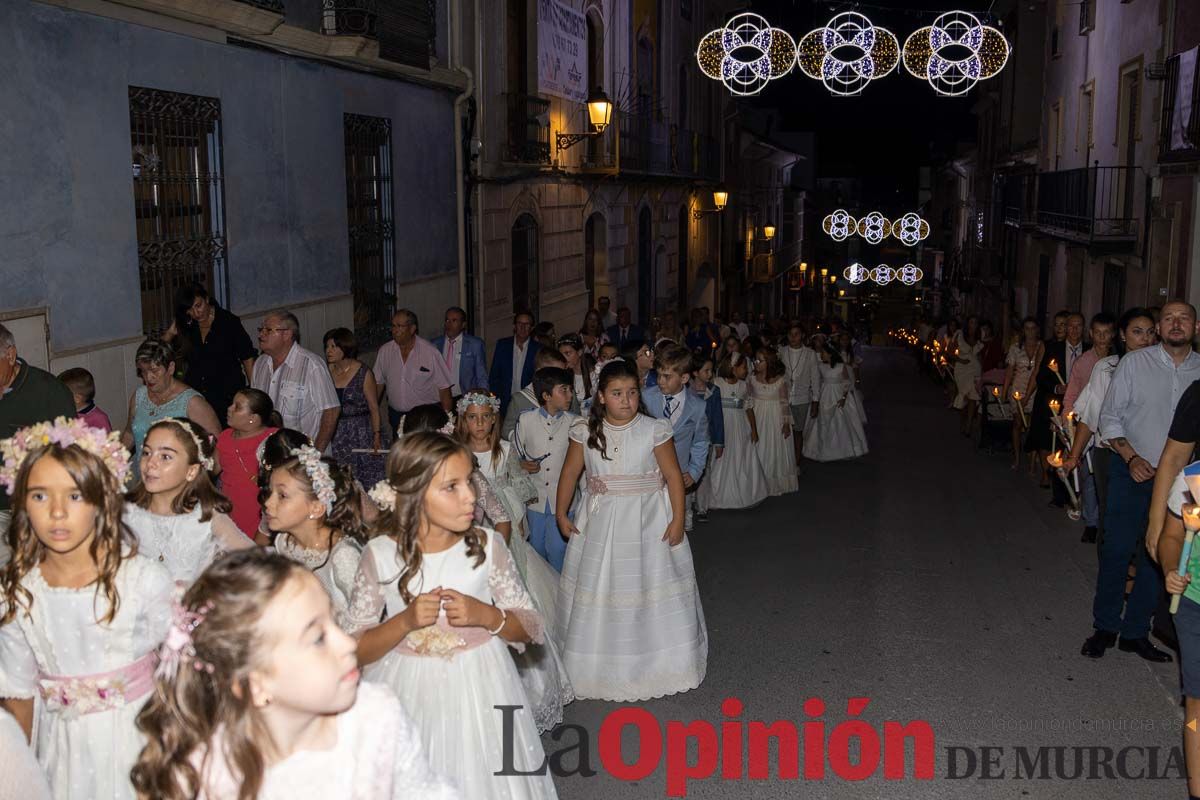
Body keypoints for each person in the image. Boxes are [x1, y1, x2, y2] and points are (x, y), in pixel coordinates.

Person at [130, 549, 458, 800]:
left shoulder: (376, 716)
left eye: (333, 622)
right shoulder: (203, 775)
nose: (346, 643)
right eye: (317, 638)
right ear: (256, 684)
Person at [345, 434, 555, 800]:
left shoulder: (488, 546)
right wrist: (404, 622)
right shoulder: (379, 554)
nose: (471, 496)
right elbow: (353, 650)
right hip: (405, 689)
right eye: (452, 487)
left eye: (470, 481)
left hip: (481, 684)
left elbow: (531, 627)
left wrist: (489, 616)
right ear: (415, 493)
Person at [0, 417, 172, 799]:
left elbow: (175, 673)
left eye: (75, 495)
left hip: (140, 743)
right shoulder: (16, 594)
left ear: (101, 500)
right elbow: (17, 693)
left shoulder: (143, 581)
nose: (57, 512)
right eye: (40, 495)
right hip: (62, 752)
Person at [555, 359, 708, 701]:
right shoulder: (584, 431)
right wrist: (561, 512)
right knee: (602, 588)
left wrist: (678, 520)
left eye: (632, 393)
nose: (626, 400)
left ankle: (660, 660)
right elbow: (569, 474)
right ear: (600, 397)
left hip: (648, 522)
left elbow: (672, 477)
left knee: (648, 586)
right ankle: (597, 663)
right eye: (617, 393)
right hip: (601, 522)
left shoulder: (655, 430)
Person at [1083, 300, 1200, 662]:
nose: (1176, 324)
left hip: (1181, 481)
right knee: (1117, 550)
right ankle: (1105, 626)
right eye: (1168, 319)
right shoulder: (1135, 363)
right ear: (1160, 328)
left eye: (1184, 319)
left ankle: (1136, 632)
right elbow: (1110, 416)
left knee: (1158, 553)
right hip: (1131, 469)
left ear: (1196, 328)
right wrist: (1131, 457)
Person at [455, 390, 574, 733]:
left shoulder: (504, 450)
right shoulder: (457, 454)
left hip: (503, 516)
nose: (479, 424)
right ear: (463, 421)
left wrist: (517, 515)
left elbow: (517, 483)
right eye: (472, 417)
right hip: (472, 521)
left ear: (494, 419)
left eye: (485, 417)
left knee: (517, 585)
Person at [1064, 309, 1156, 545]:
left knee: (1147, 516)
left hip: (1151, 452)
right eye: (1137, 332)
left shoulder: (1162, 370)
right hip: (1109, 452)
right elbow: (1090, 417)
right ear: (1123, 335)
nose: (1145, 338)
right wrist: (1074, 456)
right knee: (1112, 515)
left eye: (1150, 332)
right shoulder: (1106, 369)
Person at [124, 418, 252, 585]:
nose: (151, 463)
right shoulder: (126, 512)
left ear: (191, 471)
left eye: (165, 456)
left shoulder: (207, 518)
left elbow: (257, 562)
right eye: (147, 452)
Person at [265, 445, 367, 629]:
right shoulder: (285, 543)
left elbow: (364, 624)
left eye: (282, 495)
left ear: (316, 508)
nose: (268, 503)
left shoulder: (342, 556)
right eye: (270, 493)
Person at [1155, 465, 1200, 800]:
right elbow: (1170, 536)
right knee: (1198, 707)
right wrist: (1171, 569)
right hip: (1195, 604)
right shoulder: (1193, 478)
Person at [124, 338, 222, 480]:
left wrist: (196, 484)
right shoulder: (139, 396)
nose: (148, 377)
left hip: (179, 487)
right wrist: (111, 461)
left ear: (170, 368)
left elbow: (217, 451)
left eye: (154, 370)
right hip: (145, 482)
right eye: (143, 371)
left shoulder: (192, 403)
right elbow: (129, 434)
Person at [512, 367, 578, 572]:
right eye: (563, 390)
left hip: (565, 500)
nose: (570, 395)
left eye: (570, 390)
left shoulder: (575, 422)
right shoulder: (526, 420)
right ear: (546, 396)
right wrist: (522, 464)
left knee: (559, 549)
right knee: (537, 548)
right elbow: (514, 454)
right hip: (536, 499)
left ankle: (561, 593)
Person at [252, 311, 340, 452]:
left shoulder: (312, 365)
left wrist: (315, 455)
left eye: (268, 330)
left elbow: (331, 411)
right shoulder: (260, 364)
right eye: (260, 330)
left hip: (305, 456)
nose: (260, 334)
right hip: (271, 454)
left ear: (287, 334)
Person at [642, 345, 709, 532]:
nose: (661, 381)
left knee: (673, 522)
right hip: (648, 471)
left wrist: (695, 471)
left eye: (667, 376)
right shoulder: (646, 398)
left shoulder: (697, 406)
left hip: (679, 473)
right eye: (659, 375)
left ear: (684, 378)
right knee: (650, 524)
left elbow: (701, 442)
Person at [174, 283, 257, 428]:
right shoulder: (188, 325)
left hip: (226, 394)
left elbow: (247, 356)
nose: (196, 313)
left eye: (198, 305)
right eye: (190, 310)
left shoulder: (228, 322)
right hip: (197, 396)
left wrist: (253, 392)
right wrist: (170, 333)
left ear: (206, 299)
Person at [699, 352, 768, 510]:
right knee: (721, 457)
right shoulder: (717, 383)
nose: (746, 370)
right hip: (722, 424)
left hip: (740, 425)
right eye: (743, 367)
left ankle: (743, 493)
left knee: (740, 456)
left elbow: (748, 408)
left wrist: (754, 429)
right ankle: (716, 495)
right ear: (733, 367)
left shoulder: (744, 386)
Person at [373, 310, 453, 438]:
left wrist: (447, 423)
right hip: (397, 417)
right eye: (393, 326)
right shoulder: (385, 351)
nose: (395, 330)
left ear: (412, 329)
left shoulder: (430, 352)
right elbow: (377, 384)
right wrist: (371, 413)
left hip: (426, 418)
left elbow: (444, 389)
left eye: (400, 326)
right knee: (402, 455)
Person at [325, 327, 385, 489]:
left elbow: (374, 407)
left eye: (333, 347)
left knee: (364, 476)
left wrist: (376, 435)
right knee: (341, 477)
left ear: (345, 348)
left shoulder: (363, 372)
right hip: (336, 432)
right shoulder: (327, 371)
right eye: (327, 347)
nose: (328, 351)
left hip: (360, 431)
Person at [216, 388, 282, 538]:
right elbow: (213, 467)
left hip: (259, 509)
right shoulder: (225, 437)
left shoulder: (273, 438)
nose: (229, 408)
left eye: (237, 407)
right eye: (232, 404)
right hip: (231, 508)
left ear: (253, 418)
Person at [803, 343, 869, 462]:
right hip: (825, 395)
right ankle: (822, 449)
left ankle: (842, 449)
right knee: (822, 421)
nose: (821, 355)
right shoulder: (820, 366)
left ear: (829, 354)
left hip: (837, 395)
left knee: (840, 420)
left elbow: (846, 382)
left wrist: (843, 398)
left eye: (823, 353)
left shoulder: (840, 366)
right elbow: (817, 381)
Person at [749, 346, 796, 495]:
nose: (756, 363)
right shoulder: (751, 379)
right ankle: (755, 481)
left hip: (774, 417)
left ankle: (773, 482)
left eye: (759, 360)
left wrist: (786, 423)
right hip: (757, 416)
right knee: (758, 446)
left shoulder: (780, 380)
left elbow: (784, 402)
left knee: (773, 447)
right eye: (755, 360)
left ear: (768, 362)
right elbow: (748, 400)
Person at [500, 347, 572, 439]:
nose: (561, 377)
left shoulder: (568, 395)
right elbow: (507, 429)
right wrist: (522, 440)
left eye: (563, 372)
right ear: (539, 372)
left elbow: (575, 419)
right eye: (555, 372)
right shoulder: (520, 399)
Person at [1001, 317, 1043, 473]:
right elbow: (1009, 372)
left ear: (1037, 330)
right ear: (1023, 330)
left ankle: (1032, 462)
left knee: (1033, 427)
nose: (1030, 331)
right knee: (1018, 424)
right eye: (1027, 328)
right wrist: (1005, 391)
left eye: (1033, 328)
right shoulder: (1016, 348)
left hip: (1035, 390)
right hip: (1018, 390)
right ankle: (1017, 457)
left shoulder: (1041, 347)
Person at [689, 353, 724, 525]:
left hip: (706, 439)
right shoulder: (685, 390)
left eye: (711, 370)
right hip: (687, 438)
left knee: (704, 472)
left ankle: (702, 507)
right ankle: (686, 507)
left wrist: (719, 441)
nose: (710, 374)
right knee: (686, 471)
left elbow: (717, 417)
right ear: (695, 372)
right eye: (706, 370)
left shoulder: (714, 391)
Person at [779, 324, 821, 465]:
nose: (793, 337)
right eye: (791, 334)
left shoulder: (810, 353)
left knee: (798, 432)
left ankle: (796, 462)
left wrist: (815, 401)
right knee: (784, 430)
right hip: (783, 398)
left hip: (802, 398)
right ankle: (785, 461)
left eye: (796, 334)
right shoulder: (782, 351)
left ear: (802, 335)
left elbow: (815, 378)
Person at [488, 312, 541, 417]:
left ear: (531, 328)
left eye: (527, 324)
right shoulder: (503, 345)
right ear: (514, 326)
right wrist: (494, 400)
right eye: (519, 323)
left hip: (529, 403)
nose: (523, 327)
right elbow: (494, 375)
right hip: (505, 402)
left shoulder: (538, 349)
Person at [430, 306, 488, 400]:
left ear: (463, 324)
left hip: (464, 397)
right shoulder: (435, 344)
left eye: (454, 320)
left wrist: (483, 396)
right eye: (447, 320)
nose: (449, 324)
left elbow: (481, 374)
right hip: (440, 397)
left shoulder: (474, 344)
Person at [952, 316, 984, 436]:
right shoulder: (959, 334)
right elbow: (949, 351)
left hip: (975, 369)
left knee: (973, 397)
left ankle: (969, 425)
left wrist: (982, 371)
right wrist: (960, 360)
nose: (973, 325)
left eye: (975, 323)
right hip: (962, 369)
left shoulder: (980, 337)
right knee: (964, 397)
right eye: (971, 322)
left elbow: (980, 356)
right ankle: (963, 420)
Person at [58, 368, 112, 433]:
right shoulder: (64, 413)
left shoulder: (98, 419)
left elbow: (108, 440)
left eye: (61, 394)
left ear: (77, 398)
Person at [557, 333, 595, 401]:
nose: (563, 358)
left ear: (580, 352)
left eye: (567, 353)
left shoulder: (594, 375)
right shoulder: (562, 377)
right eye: (561, 355)